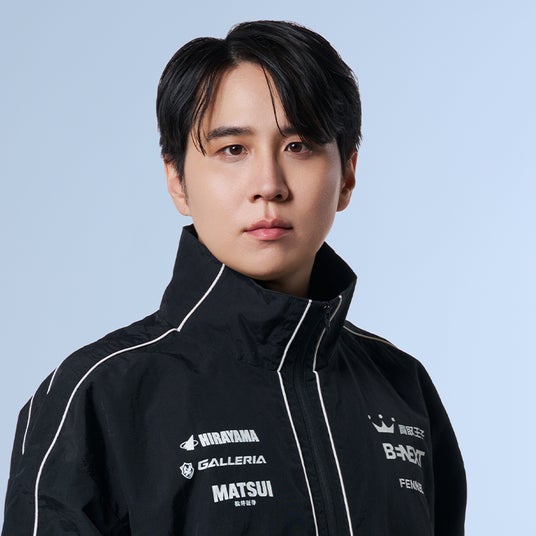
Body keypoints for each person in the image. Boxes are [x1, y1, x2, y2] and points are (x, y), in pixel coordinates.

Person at [2, 20, 466, 536]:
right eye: (233, 150)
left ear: (347, 175)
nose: (268, 185)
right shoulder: (98, 395)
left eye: (299, 146)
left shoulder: (402, 388)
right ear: (177, 180)